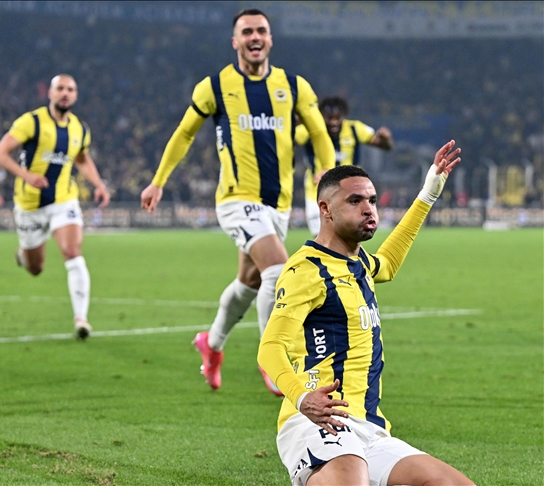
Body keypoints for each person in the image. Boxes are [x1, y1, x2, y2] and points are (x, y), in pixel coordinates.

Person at [140, 9, 336, 392]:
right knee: (278, 270)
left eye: (261, 30)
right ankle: (272, 360)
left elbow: (319, 135)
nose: (254, 37)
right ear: (235, 42)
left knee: (249, 281)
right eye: (247, 32)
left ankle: (211, 344)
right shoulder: (215, 87)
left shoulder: (293, 87)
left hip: (278, 204)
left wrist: (327, 172)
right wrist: (158, 181)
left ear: (271, 39)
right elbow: (184, 134)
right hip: (236, 198)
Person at [258, 141, 474, 486]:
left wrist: (428, 194)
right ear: (325, 209)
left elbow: (387, 263)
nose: (369, 209)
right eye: (355, 201)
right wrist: (302, 399)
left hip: (370, 427)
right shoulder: (306, 270)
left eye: (372, 201)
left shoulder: (358, 262)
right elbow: (270, 348)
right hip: (319, 421)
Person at [0, 74, 110, 339]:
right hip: (30, 205)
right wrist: (27, 176)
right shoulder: (31, 122)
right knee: (35, 268)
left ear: (76, 95)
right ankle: (24, 254)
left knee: (72, 251)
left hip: (63, 200)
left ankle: (81, 320)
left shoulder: (80, 129)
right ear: (50, 93)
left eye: (70, 89)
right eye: (60, 88)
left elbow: (82, 159)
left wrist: (99, 184)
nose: (65, 93)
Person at [296, 97, 394, 236]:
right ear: (322, 117)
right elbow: (287, 141)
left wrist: (386, 139)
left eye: (337, 118)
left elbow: (384, 146)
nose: (334, 122)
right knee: (321, 236)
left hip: (350, 194)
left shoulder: (355, 128)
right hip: (317, 192)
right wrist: (293, 124)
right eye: (329, 118)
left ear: (344, 115)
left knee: (349, 235)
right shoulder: (311, 129)